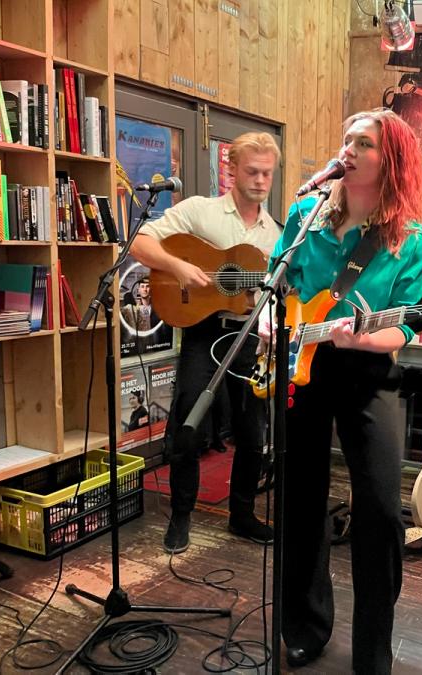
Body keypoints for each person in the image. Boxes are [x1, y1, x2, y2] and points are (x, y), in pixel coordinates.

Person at [258, 108, 422, 673]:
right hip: (304, 368)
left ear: (391, 161)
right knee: (300, 499)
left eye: (364, 143)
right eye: (346, 140)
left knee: (380, 510)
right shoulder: (305, 214)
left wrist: (357, 340)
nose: (348, 149)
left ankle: (372, 652)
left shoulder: (409, 240)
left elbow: (404, 326)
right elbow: (279, 284)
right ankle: (304, 628)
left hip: (367, 376)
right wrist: (270, 322)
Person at [129, 131, 283, 554]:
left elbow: (278, 290)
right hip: (203, 332)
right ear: (231, 169)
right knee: (187, 424)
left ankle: (243, 515)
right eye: (252, 171)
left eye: (267, 173)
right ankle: (180, 516)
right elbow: (140, 242)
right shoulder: (200, 211)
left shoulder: (276, 234)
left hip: (249, 335)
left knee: (253, 431)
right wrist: (177, 265)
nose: (260, 181)